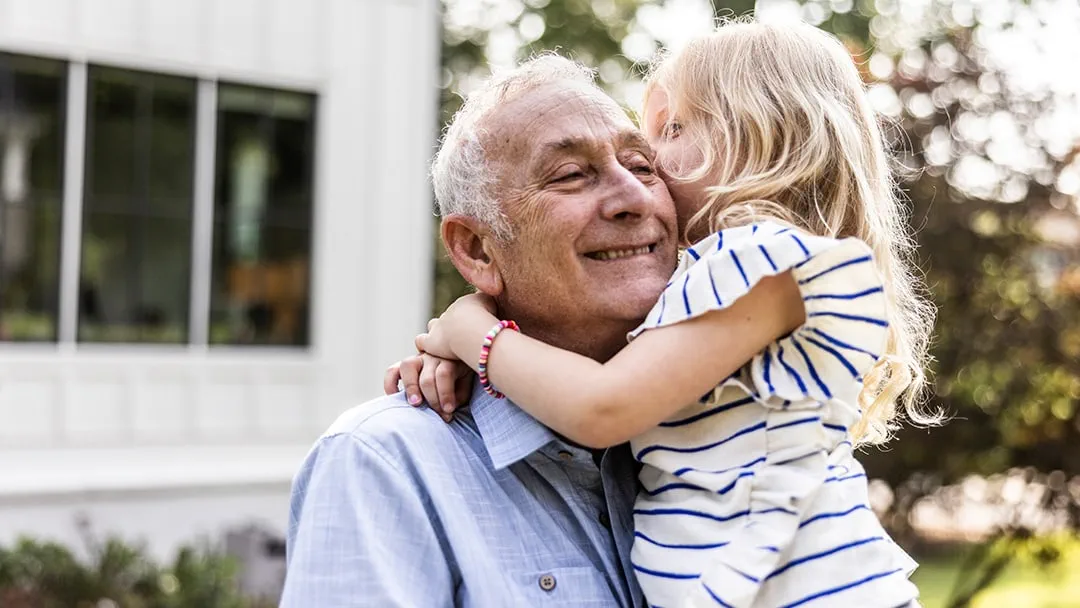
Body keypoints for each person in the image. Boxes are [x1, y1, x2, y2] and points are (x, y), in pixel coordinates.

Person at [409, 20, 935, 608]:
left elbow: (601, 405)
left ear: (761, 139)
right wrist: (483, 337)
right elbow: (585, 337)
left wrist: (472, 330)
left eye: (673, 128)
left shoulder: (762, 266)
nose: (651, 158)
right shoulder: (714, 275)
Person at [281, 54, 681, 607]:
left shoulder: (721, 422)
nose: (634, 197)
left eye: (641, 165)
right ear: (476, 250)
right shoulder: (385, 465)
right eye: (569, 175)